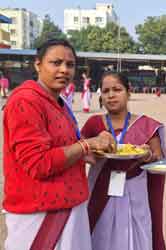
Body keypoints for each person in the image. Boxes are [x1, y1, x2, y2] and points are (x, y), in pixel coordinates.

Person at [2, 38, 115, 250]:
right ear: (38, 65)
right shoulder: (26, 101)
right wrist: (87, 145)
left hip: (69, 205)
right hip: (40, 213)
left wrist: (86, 155)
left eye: (70, 65)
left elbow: (61, 148)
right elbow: (38, 163)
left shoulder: (58, 102)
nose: (64, 70)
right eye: (56, 63)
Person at [81, 72, 166, 250]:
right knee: (100, 233)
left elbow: (158, 158)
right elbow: (81, 152)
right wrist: (92, 155)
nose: (111, 95)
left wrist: (147, 155)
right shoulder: (93, 124)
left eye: (117, 89)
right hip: (100, 188)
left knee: (135, 235)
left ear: (129, 92)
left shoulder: (146, 125)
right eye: (105, 91)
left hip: (135, 190)